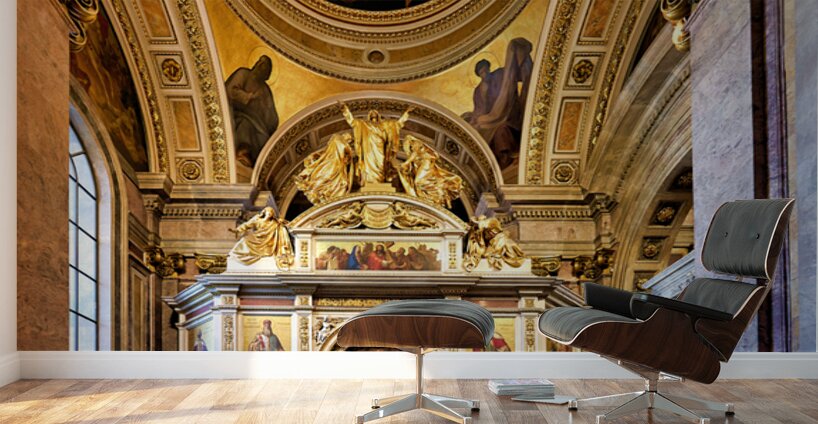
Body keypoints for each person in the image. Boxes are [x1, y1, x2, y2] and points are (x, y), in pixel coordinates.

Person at [463, 38, 533, 168]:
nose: (485, 74)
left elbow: (513, 73)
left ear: (489, 68)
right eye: (482, 72)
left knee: (502, 129)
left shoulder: (500, 74)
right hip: (494, 118)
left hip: (510, 114)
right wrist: (478, 119)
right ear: (479, 75)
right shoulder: (478, 90)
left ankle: (508, 156)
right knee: (487, 131)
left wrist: (518, 56)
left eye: (485, 70)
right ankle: (500, 160)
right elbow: (479, 109)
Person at [339, 102, 413, 185]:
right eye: (372, 114)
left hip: (380, 147)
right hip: (368, 149)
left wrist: (406, 114)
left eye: (375, 114)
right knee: (368, 165)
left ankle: (380, 180)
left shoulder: (384, 125)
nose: (373, 115)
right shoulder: (364, 124)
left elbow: (397, 125)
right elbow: (352, 121)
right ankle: (369, 181)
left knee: (381, 164)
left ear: (378, 116)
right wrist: (345, 110)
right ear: (369, 117)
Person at [225, 55, 279, 167]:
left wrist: (272, 125)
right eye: (261, 65)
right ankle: (242, 152)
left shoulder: (265, 89)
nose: (262, 68)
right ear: (256, 65)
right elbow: (230, 90)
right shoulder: (243, 74)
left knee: (263, 138)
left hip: (256, 121)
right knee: (245, 125)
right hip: (236, 113)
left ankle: (254, 160)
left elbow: (270, 113)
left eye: (265, 68)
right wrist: (249, 97)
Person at [398, 135, 462, 208]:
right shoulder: (415, 148)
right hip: (424, 163)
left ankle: (434, 194)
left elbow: (414, 154)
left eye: (409, 145)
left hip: (426, 163)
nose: (410, 147)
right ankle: (431, 195)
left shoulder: (416, 144)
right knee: (419, 182)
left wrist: (405, 163)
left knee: (418, 182)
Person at [295, 133, 354, 204]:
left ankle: (323, 192)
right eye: (349, 139)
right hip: (333, 162)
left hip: (337, 164)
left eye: (350, 141)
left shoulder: (337, 141)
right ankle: (321, 191)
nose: (349, 141)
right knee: (328, 175)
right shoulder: (338, 140)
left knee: (332, 177)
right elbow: (344, 149)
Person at [229, 207, 294, 268]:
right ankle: (235, 254)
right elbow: (246, 225)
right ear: (264, 212)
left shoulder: (274, 223)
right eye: (268, 211)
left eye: (271, 212)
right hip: (257, 238)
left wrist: (282, 222)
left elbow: (288, 225)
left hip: (268, 242)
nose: (269, 213)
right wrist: (236, 230)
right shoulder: (257, 219)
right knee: (244, 240)